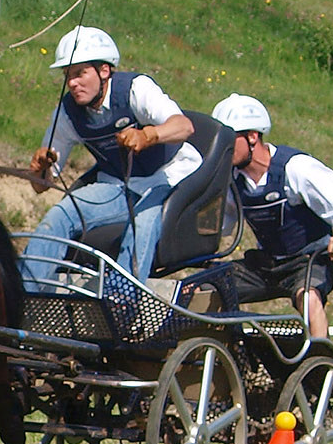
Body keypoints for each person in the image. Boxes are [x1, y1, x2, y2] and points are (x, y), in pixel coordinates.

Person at [22, 27, 200, 291]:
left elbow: (184, 127)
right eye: (67, 75)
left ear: (104, 71)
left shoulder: (136, 88)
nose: (72, 83)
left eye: (80, 73)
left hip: (169, 178)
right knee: (60, 214)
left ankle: (122, 302)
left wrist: (148, 135)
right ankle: (24, 292)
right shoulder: (67, 113)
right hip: (118, 185)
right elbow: (42, 186)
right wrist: (39, 170)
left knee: (142, 225)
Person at [212, 93, 333, 338]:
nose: (221, 148)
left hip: (309, 261)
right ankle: (232, 354)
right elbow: (220, 226)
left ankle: (318, 363)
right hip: (267, 265)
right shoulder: (231, 181)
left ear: (252, 137)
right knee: (209, 286)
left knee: (309, 299)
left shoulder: (297, 168)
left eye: (228, 139)